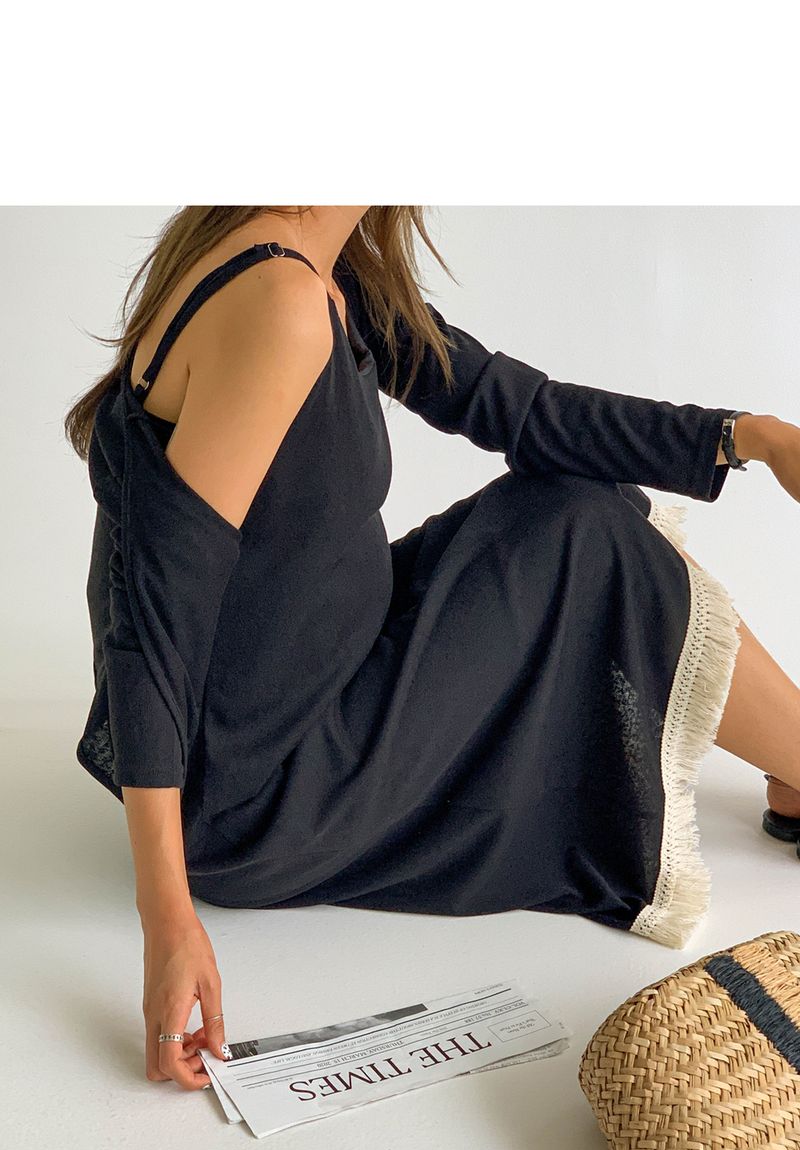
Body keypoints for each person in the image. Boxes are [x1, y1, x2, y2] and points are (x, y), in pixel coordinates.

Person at [64, 205, 800, 1094]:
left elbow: (525, 411)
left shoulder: (313, 267)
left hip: (316, 672)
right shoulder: (278, 306)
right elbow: (154, 625)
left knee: (570, 502)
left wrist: (750, 437)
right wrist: (166, 915)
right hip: (265, 787)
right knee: (589, 537)